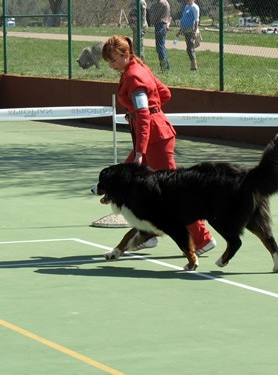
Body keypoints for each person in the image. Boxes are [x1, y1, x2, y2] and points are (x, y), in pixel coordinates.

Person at [101, 35, 216, 256]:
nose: (111, 65)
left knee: (173, 193)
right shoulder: (137, 67)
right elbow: (164, 93)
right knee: (134, 188)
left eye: (113, 60)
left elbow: (144, 115)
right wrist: (148, 112)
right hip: (154, 135)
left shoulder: (134, 77)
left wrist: (140, 152)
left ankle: (202, 239)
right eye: (108, 61)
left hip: (155, 139)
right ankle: (150, 234)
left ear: (126, 55)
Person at [177, 0, 200, 71]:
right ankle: (192, 66)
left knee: (190, 48)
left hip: (191, 30)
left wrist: (195, 32)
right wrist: (180, 30)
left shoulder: (195, 7)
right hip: (185, 30)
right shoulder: (186, 7)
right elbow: (184, 18)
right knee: (189, 48)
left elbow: (196, 20)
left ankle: (194, 66)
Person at [150, 0, 171, 72]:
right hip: (163, 25)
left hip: (160, 25)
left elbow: (156, 15)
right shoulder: (166, 2)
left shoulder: (161, 3)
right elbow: (169, 16)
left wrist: (152, 20)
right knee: (162, 47)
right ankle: (166, 68)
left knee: (160, 48)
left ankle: (164, 68)